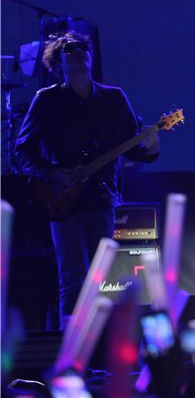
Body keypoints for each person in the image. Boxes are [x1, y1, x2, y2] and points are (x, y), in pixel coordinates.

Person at [14, 31, 160, 328]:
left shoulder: (114, 98)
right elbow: (22, 151)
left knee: (101, 279)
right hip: (63, 200)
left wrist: (152, 145)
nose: (79, 53)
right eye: (70, 50)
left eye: (84, 49)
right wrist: (52, 173)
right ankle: (70, 347)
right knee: (73, 278)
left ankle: (99, 344)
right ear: (58, 63)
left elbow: (134, 149)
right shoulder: (47, 100)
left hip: (103, 199)